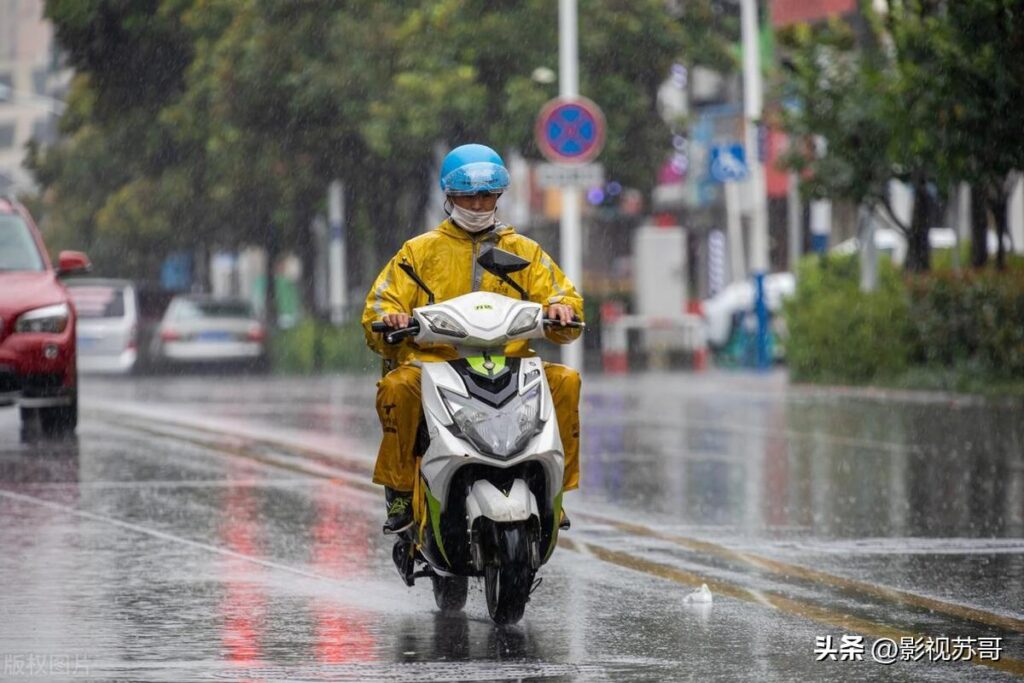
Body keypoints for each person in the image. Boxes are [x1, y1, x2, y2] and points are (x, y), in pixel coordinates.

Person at [362, 143, 584, 534]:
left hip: (512, 364)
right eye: (469, 194)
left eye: (487, 194)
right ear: (450, 195)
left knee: (565, 380)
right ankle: (398, 490)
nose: (479, 204)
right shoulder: (417, 253)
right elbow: (380, 306)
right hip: (435, 366)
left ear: (499, 194)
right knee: (398, 387)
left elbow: (561, 295)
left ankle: (555, 492)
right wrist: (390, 317)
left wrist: (562, 309)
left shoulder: (524, 252)